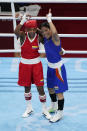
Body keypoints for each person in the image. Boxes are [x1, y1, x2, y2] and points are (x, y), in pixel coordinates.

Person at [14, 14, 51, 119]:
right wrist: (23, 21)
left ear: (36, 29)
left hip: (36, 65)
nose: (31, 31)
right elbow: (15, 32)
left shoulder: (39, 36)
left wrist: (36, 28)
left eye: (34, 29)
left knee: (40, 88)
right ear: (26, 29)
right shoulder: (23, 35)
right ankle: (29, 108)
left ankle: (44, 109)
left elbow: (46, 35)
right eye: (29, 29)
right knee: (27, 87)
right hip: (25, 65)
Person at [40, 9, 68, 122]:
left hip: (58, 69)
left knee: (59, 91)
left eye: (47, 30)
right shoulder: (45, 39)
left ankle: (60, 113)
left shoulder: (55, 39)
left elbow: (55, 33)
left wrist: (49, 19)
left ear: (50, 30)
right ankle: (54, 105)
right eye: (43, 31)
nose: (45, 33)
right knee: (50, 88)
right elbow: (37, 31)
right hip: (50, 67)